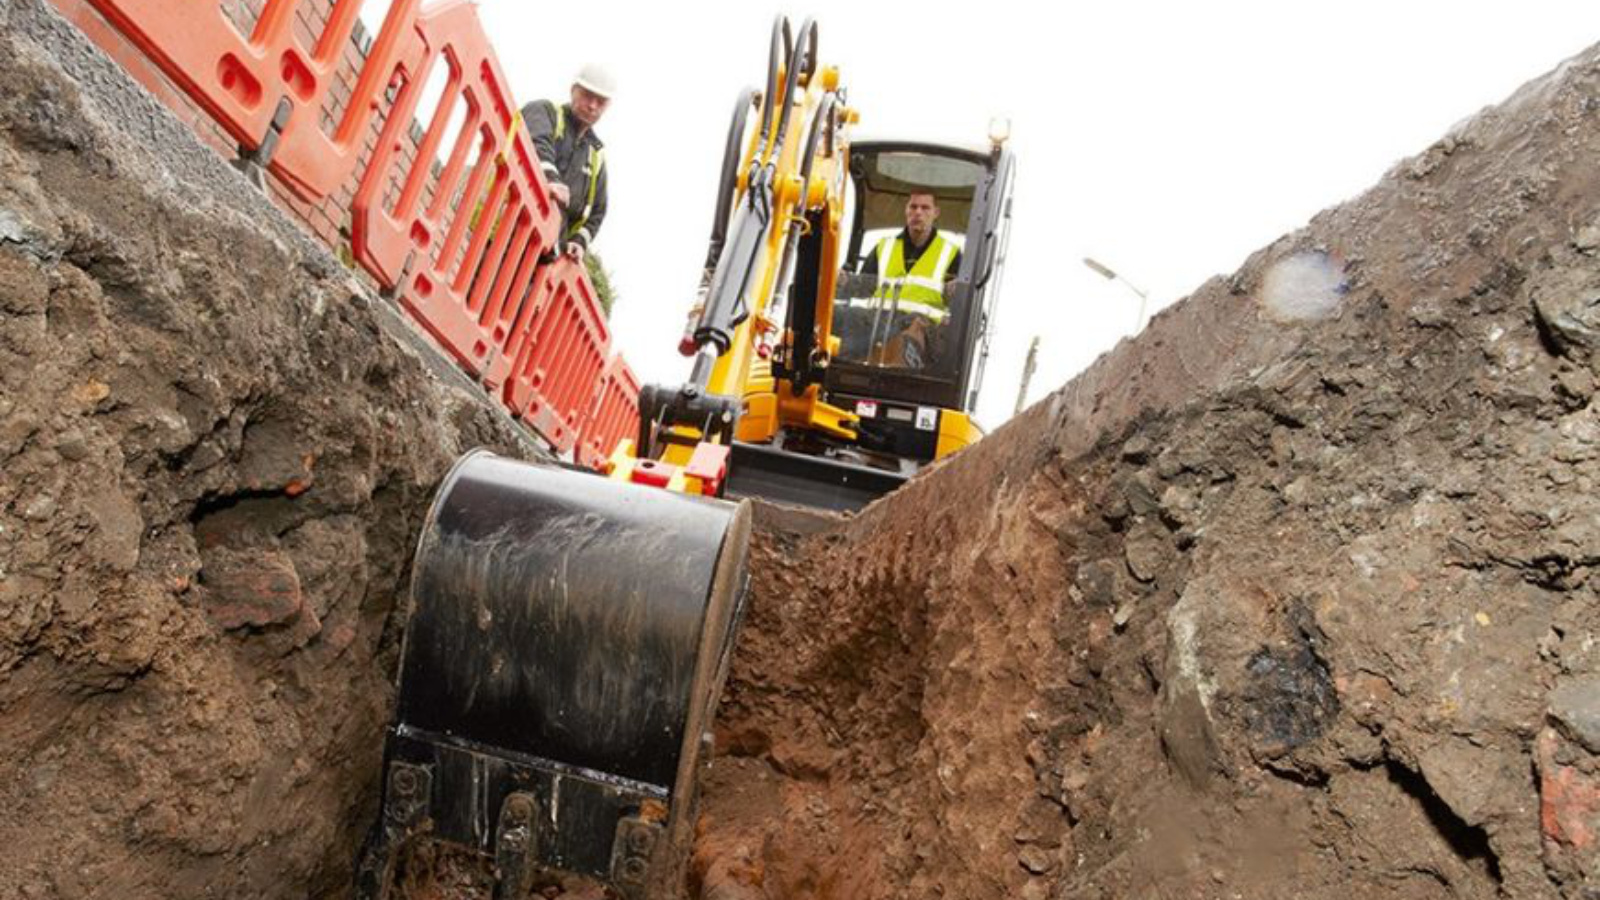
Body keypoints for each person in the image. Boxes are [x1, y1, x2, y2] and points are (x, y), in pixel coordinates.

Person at [842, 191, 962, 367]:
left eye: (925, 208)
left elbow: (958, 300)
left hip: (920, 332)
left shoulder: (951, 254)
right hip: (876, 326)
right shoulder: (884, 247)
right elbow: (863, 286)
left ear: (935, 213)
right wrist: (844, 281)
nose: (918, 212)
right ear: (906, 210)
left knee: (907, 344)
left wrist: (954, 291)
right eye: (913, 207)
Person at [521, 64, 613, 264]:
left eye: (601, 101)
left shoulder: (596, 155)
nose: (593, 105)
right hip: (506, 230)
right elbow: (536, 142)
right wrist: (551, 179)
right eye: (588, 95)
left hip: (542, 259)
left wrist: (580, 240)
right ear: (573, 90)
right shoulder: (544, 111)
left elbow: (599, 209)